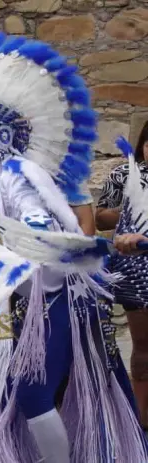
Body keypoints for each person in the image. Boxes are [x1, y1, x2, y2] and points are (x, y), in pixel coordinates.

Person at [0, 32, 147, 462]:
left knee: (32, 394)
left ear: (0, 138)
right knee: (14, 395)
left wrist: (99, 247)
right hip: (29, 308)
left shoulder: (16, 175)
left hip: (57, 304)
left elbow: (39, 223)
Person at [96, 121, 148, 430]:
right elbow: (101, 216)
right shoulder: (124, 173)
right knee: (143, 345)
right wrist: (128, 207)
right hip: (137, 269)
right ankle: (143, 420)